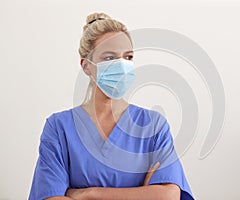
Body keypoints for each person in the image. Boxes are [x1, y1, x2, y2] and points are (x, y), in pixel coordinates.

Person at [29, 12, 194, 200]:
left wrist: (89, 194)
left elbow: (168, 196)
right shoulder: (59, 128)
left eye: (128, 57)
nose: (122, 65)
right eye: (109, 58)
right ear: (86, 66)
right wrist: (141, 194)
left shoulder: (153, 126)